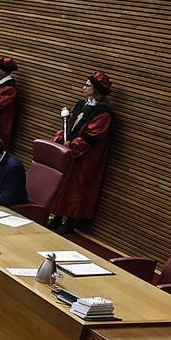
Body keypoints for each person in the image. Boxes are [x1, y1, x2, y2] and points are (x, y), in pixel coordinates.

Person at [49, 71, 116, 232]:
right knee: (63, 185)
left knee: (76, 190)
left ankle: (69, 223)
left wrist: (70, 146)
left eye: (88, 85)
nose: (83, 87)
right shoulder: (80, 105)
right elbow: (68, 126)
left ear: (97, 89)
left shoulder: (103, 114)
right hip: (69, 151)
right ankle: (57, 216)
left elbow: (91, 138)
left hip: (84, 157)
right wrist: (58, 140)